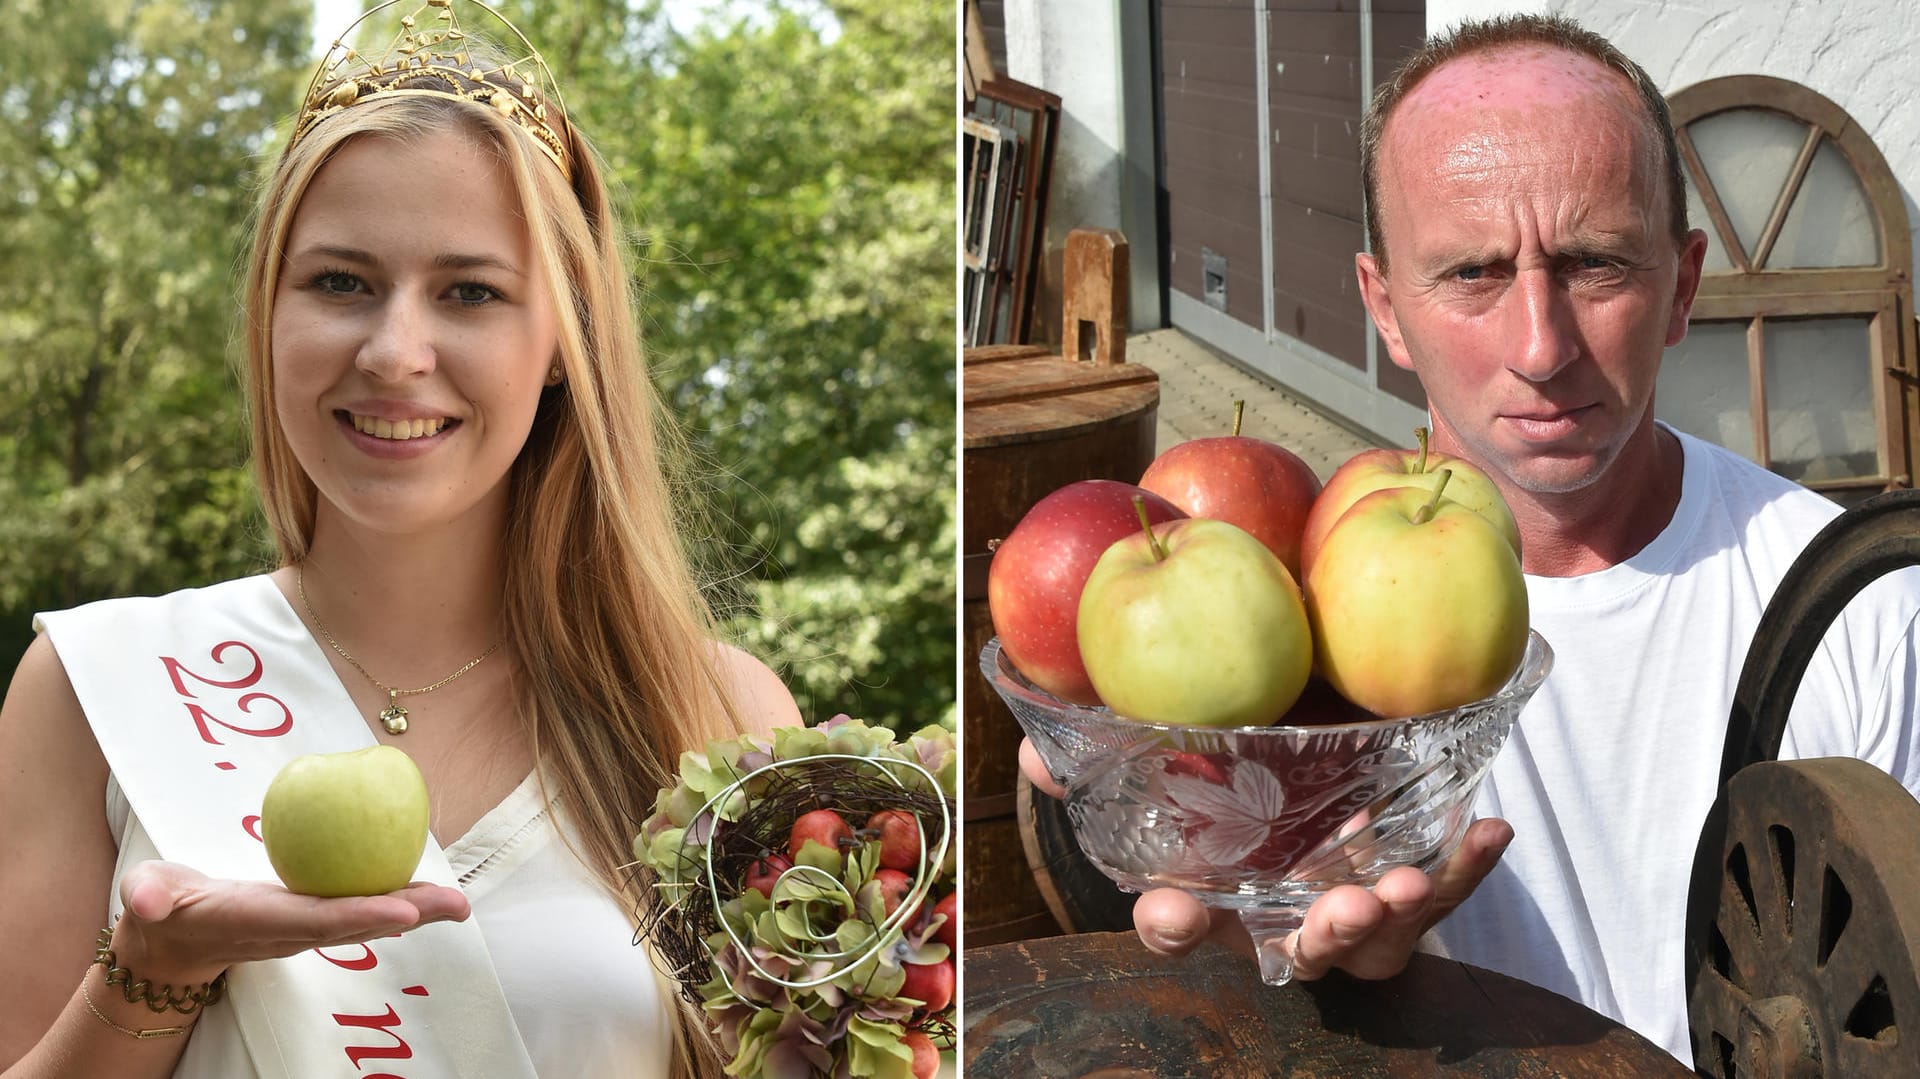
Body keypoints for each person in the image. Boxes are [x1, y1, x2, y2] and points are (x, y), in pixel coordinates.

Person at [1022, 12, 1920, 1065]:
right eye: (1471, 274)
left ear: (1682, 285)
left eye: (1594, 263)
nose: (1540, 346)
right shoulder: (1280, 629)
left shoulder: (1855, 605)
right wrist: (1250, 942)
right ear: (1384, 306)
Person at [0, 4, 799, 1078]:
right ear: (269, 311)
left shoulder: (716, 718)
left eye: (470, 291)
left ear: (562, 343)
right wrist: (153, 971)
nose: (394, 349)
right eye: (341, 282)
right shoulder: (97, 690)